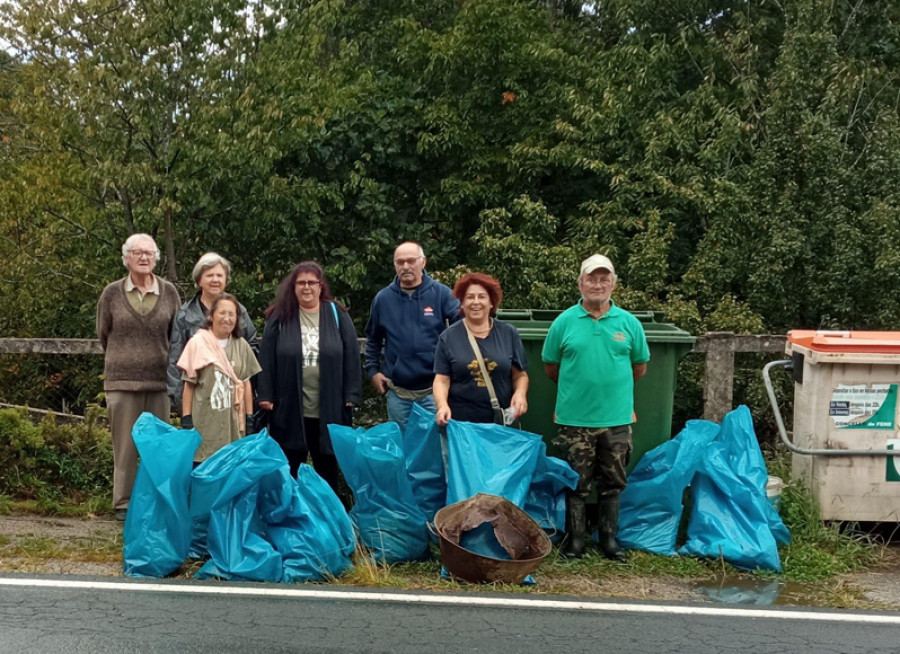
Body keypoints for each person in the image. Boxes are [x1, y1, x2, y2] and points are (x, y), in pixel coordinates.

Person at [542, 254, 649, 561]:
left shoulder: (629, 324)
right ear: (580, 283)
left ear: (614, 284)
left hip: (616, 420)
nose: (598, 285)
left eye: (604, 279)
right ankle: (575, 541)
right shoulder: (564, 322)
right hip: (575, 420)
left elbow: (638, 367)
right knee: (576, 483)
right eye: (591, 278)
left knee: (613, 483)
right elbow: (551, 366)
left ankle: (609, 542)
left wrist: (619, 399)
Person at [96, 233, 181, 521]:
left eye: (149, 253)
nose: (143, 258)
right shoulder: (111, 293)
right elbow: (103, 333)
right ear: (126, 258)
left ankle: (158, 501)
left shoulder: (169, 292)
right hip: (121, 382)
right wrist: (125, 359)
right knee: (126, 446)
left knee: (159, 445)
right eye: (137, 253)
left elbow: (176, 336)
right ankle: (123, 503)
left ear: (156, 258)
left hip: (159, 383)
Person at [257, 262, 362, 491]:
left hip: (330, 405)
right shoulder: (280, 315)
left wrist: (352, 392)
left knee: (327, 467)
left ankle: (327, 520)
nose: (307, 288)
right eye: (301, 283)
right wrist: (265, 394)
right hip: (289, 406)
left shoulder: (336, 314)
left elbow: (352, 354)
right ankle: (291, 519)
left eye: (312, 282)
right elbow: (266, 356)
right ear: (293, 286)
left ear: (320, 286)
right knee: (289, 467)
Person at [364, 241, 460, 433]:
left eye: (410, 261)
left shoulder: (442, 294)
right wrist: (372, 371)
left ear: (423, 262)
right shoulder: (383, 299)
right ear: (395, 266)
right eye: (400, 262)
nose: (406, 266)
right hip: (398, 392)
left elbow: (461, 331)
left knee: (438, 447)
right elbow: (373, 340)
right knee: (403, 449)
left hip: (434, 391)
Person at [176, 293, 262, 464]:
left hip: (233, 422)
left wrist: (249, 417)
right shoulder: (198, 343)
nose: (227, 318)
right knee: (204, 469)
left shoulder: (242, 345)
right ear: (211, 315)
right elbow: (189, 385)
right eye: (222, 313)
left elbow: (245, 383)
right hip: (205, 420)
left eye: (232, 314)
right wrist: (187, 418)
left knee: (232, 471)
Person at [433, 273, 528, 426]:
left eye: (482, 297)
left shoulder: (508, 333)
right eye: (470, 297)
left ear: (491, 302)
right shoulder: (448, 337)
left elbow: (520, 375)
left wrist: (520, 394)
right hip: (461, 425)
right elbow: (441, 380)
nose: (475, 302)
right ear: (462, 303)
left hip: (500, 424)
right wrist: (442, 405)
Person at [167, 252, 258, 412]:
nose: (215, 280)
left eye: (219, 275)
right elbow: (176, 361)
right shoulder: (185, 315)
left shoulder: (239, 311)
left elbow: (252, 348)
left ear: (226, 280)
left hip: (234, 398)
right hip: (198, 397)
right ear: (199, 280)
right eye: (209, 275)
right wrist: (181, 403)